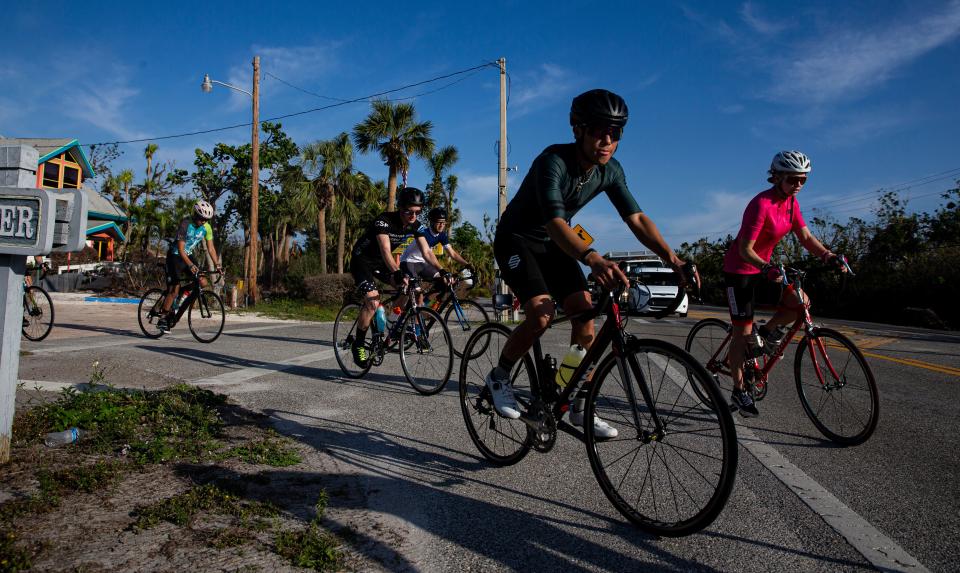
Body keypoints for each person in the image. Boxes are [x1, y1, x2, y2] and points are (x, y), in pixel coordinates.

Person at [485, 88, 698, 439]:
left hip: (556, 244)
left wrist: (672, 258)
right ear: (578, 128)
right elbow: (555, 222)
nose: (607, 141)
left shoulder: (610, 170)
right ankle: (500, 375)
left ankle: (573, 403)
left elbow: (637, 219)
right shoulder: (552, 161)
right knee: (541, 314)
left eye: (615, 134)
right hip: (518, 239)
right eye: (599, 131)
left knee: (585, 320)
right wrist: (591, 257)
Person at [722, 150, 847, 417]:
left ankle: (766, 335)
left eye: (803, 180)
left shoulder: (792, 204)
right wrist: (765, 267)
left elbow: (805, 236)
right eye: (792, 180)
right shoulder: (761, 204)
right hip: (740, 270)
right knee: (741, 334)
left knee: (800, 302)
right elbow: (745, 249)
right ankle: (739, 389)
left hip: (764, 270)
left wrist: (828, 255)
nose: (798, 185)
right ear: (777, 176)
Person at [349, 187, 427, 366]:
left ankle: (392, 322)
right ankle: (359, 344)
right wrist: (397, 272)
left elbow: (427, 252)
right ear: (400, 208)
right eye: (409, 211)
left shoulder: (415, 225)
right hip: (362, 262)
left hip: (382, 265)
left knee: (408, 288)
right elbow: (385, 250)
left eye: (417, 212)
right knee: (373, 300)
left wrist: (442, 272)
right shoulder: (383, 221)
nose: (413, 216)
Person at [158, 200, 222, 331]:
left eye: (206, 220)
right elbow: (181, 249)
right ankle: (163, 318)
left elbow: (211, 248)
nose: (203, 222)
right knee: (173, 289)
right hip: (175, 256)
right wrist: (191, 265)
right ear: (196, 215)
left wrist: (218, 265)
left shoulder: (207, 227)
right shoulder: (185, 224)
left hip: (189, 255)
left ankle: (183, 291)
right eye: (202, 219)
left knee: (202, 282)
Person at [399, 207, 472, 306]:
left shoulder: (442, 235)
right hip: (409, 262)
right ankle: (413, 315)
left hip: (422, 263)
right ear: (432, 222)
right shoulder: (424, 233)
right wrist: (441, 270)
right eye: (439, 222)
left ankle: (424, 306)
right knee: (418, 294)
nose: (442, 225)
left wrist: (467, 264)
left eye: (444, 222)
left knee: (445, 282)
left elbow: (453, 253)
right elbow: (427, 253)